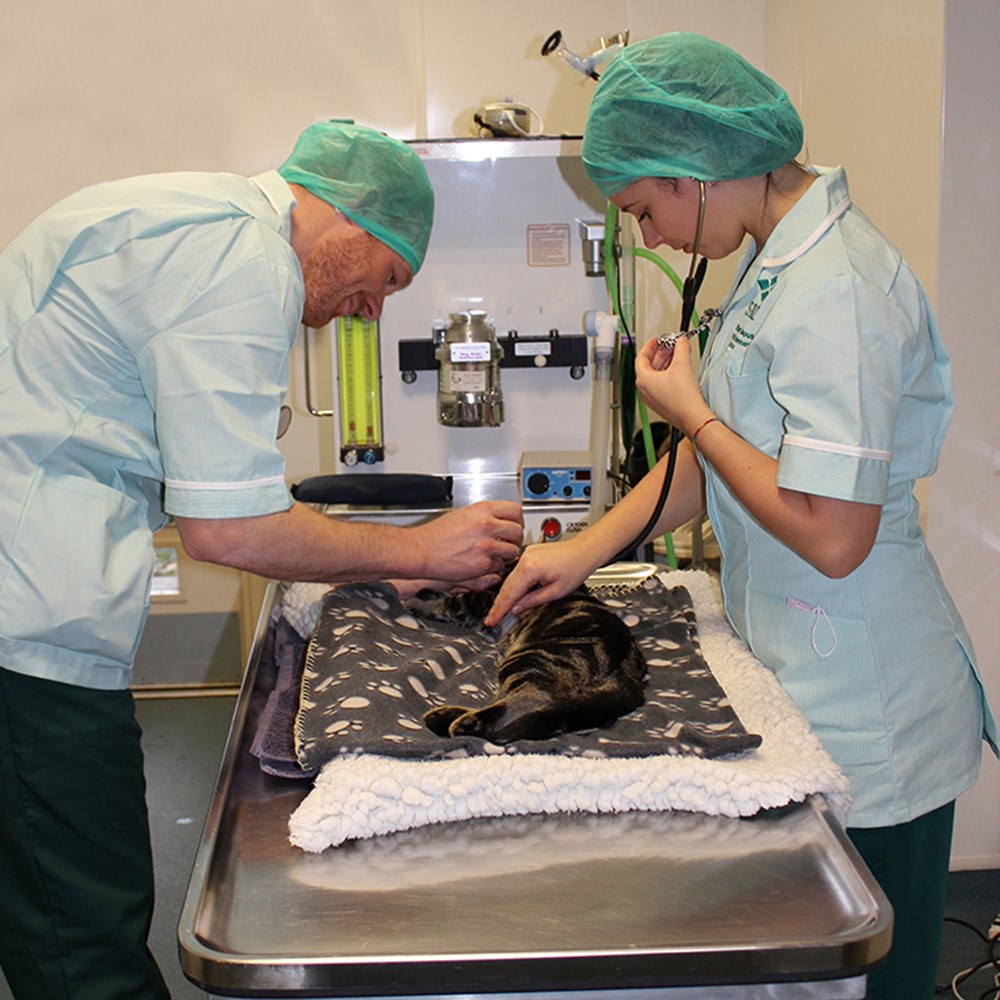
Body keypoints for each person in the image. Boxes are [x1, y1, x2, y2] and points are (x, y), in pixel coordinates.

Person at [485, 33, 997, 1000]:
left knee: (869, 979)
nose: (649, 236)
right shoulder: (776, 264)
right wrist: (583, 554)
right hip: (804, 675)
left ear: (697, 173)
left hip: (872, 705)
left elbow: (833, 534)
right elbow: (708, 461)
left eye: (643, 209)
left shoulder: (839, 287)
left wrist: (699, 413)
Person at [0, 120, 523, 999]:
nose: (371, 310)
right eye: (387, 279)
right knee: (81, 937)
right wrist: (416, 551)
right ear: (358, 225)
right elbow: (227, 527)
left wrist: (378, 565)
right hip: (22, 632)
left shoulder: (190, 215)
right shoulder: (245, 260)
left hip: (29, 592)